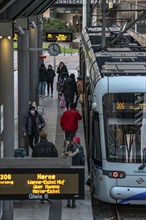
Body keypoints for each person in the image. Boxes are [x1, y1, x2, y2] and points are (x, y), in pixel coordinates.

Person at [32, 130, 58, 204]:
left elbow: (33, 158)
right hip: (49, 167)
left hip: (39, 168)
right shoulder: (51, 145)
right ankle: (47, 195)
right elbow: (55, 156)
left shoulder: (36, 146)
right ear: (46, 136)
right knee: (48, 182)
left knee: (41, 183)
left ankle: (42, 198)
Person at [66, 136, 85, 208]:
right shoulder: (80, 148)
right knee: (74, 186)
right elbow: (82, 160)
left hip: (69, 168)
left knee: (69, 185)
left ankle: (68, 201)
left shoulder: (69, 147)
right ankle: (73, 203)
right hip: (77, 168)